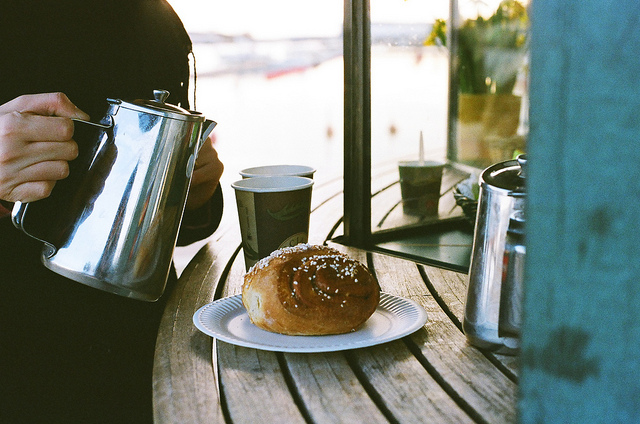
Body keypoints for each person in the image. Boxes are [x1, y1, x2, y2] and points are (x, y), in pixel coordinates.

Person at [0, 1, 224, 422]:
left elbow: (179, 220)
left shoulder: (154, 19)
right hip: (16, 347)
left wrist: (196, 195)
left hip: (142, 339)